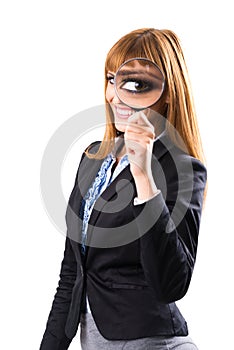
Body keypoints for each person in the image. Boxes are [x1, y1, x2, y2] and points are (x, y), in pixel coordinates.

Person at [40, 28, 207, 350]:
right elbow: (72, 273)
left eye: (135, 84)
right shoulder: (92, 158)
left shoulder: (182, 169)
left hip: (152, 342)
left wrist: (143, 175)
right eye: (111, 79)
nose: (115, 95)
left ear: (168, 92)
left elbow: (172, 283)